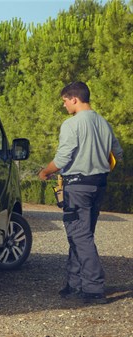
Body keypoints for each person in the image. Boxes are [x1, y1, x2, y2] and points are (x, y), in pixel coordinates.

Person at [39, 81, 123, 304]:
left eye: (65, 101)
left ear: (74, 99)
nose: (65, 105)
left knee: (79, 235)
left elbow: (62, 159)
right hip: (99, 185)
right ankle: (74, 284)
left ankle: (94, 288)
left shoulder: (71, 124)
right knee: (83, 235)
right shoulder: (105, 123)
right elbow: (118, 154)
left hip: (77, 186)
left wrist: (45, 172)